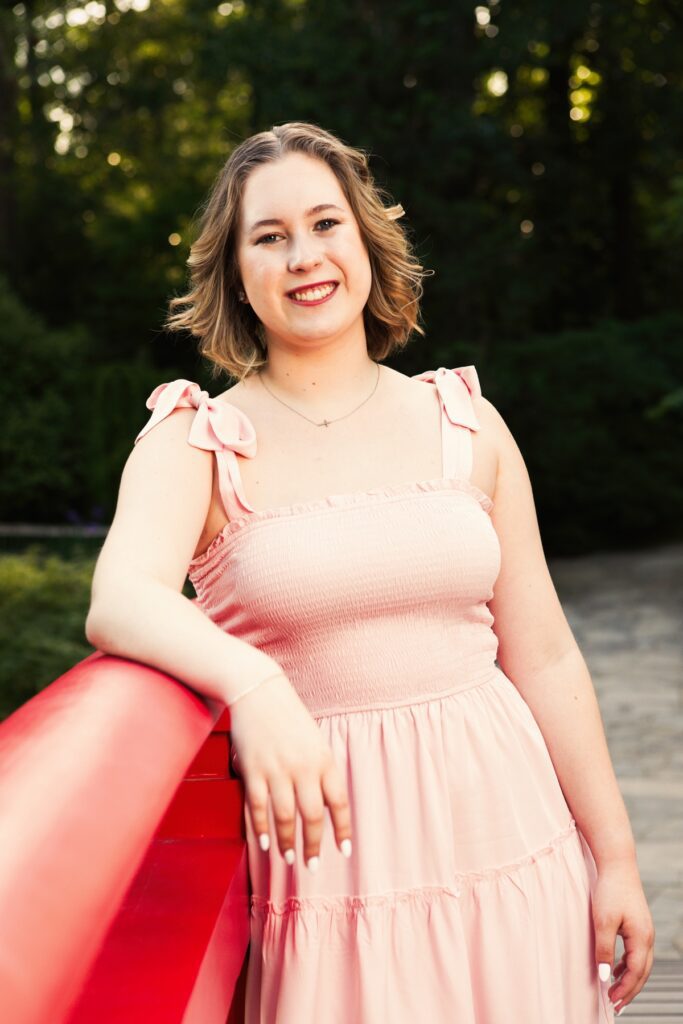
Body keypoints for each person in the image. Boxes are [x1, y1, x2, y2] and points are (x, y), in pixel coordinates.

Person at [86, 121, 654, 1022]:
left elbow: (542, 654)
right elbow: (120, 599)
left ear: (365, 241)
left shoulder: (464, 420)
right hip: (327, 878)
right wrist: (255, 686)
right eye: (268, 237)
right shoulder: (194, 440)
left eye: (325, 224)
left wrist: (615, 856)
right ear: (236, 272)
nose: (302, 255)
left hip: (511, 844)